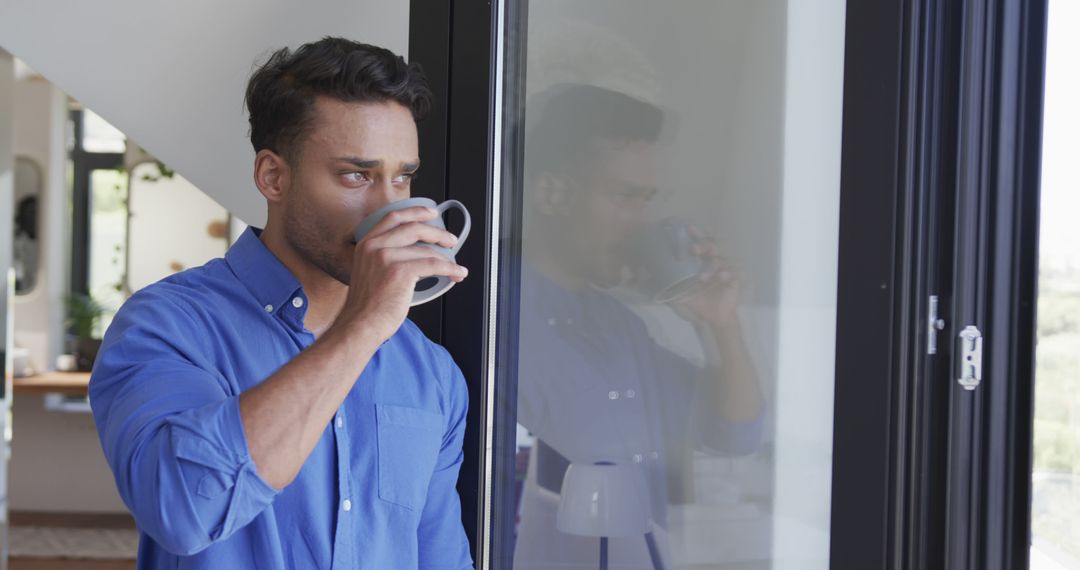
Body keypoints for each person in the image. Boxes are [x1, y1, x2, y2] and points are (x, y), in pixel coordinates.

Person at [89, 37, 474, 569]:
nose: (392, 208)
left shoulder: (430, 372)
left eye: (402, 176)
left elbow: (440, 558)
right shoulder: (167, 327)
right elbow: (182, 511)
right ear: (273, 176)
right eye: (356, 175)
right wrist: (362, 326)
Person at [512, 84, 765, 569]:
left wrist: (722, 324)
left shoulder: (618, 327)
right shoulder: (494, 322)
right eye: (626, 197)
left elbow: (736, 434)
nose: (642, 223)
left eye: (648, 201)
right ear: (551, 193)